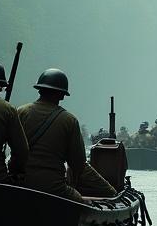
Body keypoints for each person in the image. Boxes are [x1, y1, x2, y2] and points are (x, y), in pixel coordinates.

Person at [16, 69, 115, 201]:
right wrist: (110, 191)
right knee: (80, 203)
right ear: (62, 95)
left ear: (39, 89)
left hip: (19, 184)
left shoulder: (20, 112)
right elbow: (79, 165)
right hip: (53, 188)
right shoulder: (69, 120)